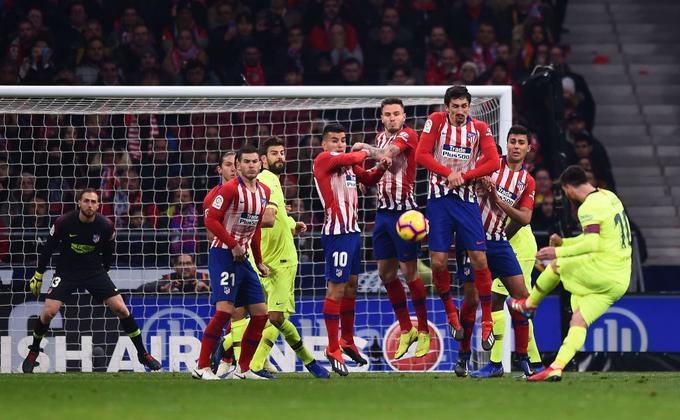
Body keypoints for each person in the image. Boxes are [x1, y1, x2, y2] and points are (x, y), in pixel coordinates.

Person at [510, 165, 632, 381]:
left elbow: (592, 243)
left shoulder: (588, 208)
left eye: (565, 192)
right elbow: (594, 240)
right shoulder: (609, 197)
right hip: (620, 279)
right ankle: (557, 366)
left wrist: (558, 251)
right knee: (578, 320)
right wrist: (565, 242)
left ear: (568, 188)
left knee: (558, 265)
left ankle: (529, 305)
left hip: (603, 270)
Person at [23, 189, 161, 373]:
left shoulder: (106, 226)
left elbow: (109, 253)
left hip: (94, 272)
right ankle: (33, 351)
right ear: (79, 203)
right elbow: (48, 249)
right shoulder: (64, 222)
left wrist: (103, 274)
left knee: (121, 308)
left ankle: (143, 354)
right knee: (49, 312)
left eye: (93, 201)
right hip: (66, 272)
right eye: (86, 201)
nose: (90, 205)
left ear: (98, 205)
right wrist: (39, 274)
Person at [415, 85, 500, 350]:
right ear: (447, 107)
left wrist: (464, 176)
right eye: (456, 107)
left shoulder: (480, 129)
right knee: (438, 262)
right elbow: (421, 155)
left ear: (469, 107)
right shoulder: (436, 122)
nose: (461, 112)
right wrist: (446, 173)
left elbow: (494, 161)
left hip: (467, 201)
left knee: (480, 259)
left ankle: (487, 321)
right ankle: (451, 314)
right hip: (439, 200)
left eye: (465, 107)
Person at [238, 136, 330, 379]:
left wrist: (291, 223)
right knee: (276, 317)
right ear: (263, 159)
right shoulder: (269, 180)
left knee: (271, 316)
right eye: (275, 153)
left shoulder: (264, 182)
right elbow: (268, 218)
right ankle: (305, 362)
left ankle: (249, 360)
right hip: (277, 261)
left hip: (266, 260)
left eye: (282, 152)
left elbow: (275, 217)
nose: (280, 157)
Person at [453, 126, 541, 378]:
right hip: (474, 241)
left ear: (528, 148)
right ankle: (464, 357)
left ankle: (524, 359)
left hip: (502, 243)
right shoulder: (489, 165)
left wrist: (498, 202)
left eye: (520, 142)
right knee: (472, 299)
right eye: (512, 141)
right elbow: (463, 184)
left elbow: (525, 217)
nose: (515, 146)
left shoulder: (527, 181)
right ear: (507, 143)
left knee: (521, 298)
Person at [350, 97, 430, 360]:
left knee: (410, 272)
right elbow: (382, 166)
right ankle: (406, 329)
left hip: (405, 214)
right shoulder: (380, 137)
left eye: (397, 113)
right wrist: (367, 179)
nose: (393, 118)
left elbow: (389, 156)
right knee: (386, 275)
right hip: (383, 214)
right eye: (388, 114)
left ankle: (424, 330)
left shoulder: (409, 134)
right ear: (382, 117)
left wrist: (361, 149)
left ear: (404, 116)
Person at [313, 123, 390, 375]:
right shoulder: (324, 159)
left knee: (351, 287)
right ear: (324, 144)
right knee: (336, 289)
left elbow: (367, 178)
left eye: (343, 140)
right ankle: (332, 347)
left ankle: (347, 340)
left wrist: (380, 168)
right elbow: (353, 156)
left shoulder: (347, 165)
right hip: (336, 234)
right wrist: (370, 151)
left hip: (353, 233)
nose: (339, 144)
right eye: (334, 140)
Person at [193, 144, 273, 380]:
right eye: (245, 162)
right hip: (223, 255)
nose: (250, 165)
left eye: (254, 161)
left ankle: (244, 369)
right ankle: (202, 366)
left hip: (244, 258)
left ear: (260, 164)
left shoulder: (264, 191)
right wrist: (233, 244)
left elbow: (256, 228)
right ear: (238, 165)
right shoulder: (229, 189)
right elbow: (211, 221)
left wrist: (259, 260)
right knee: (225, 310)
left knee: (260, 314)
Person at [138, 254, 209, 293]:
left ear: (194, 266)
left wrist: (207, 288)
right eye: (180, 264)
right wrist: (162, 288)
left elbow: (220, 289)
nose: (184, 267)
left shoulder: (204, 278)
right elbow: (141, 288)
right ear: (175, 267)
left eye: (188, 263)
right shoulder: (169, 279)